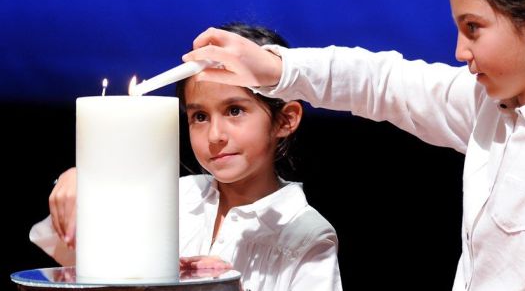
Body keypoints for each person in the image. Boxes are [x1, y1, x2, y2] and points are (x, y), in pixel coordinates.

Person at [181, 0, 525, 290]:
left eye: (474, 29)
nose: (460, 50)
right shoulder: (489, 108)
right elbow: (381, 81)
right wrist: (277, 67)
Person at [30, 23, 343, 291]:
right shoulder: (177, 197)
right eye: (199, 116)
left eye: (235, 111)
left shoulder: (307, 235)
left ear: (285, 119)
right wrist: (83, 185)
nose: (215, 135)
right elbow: (88, 258)